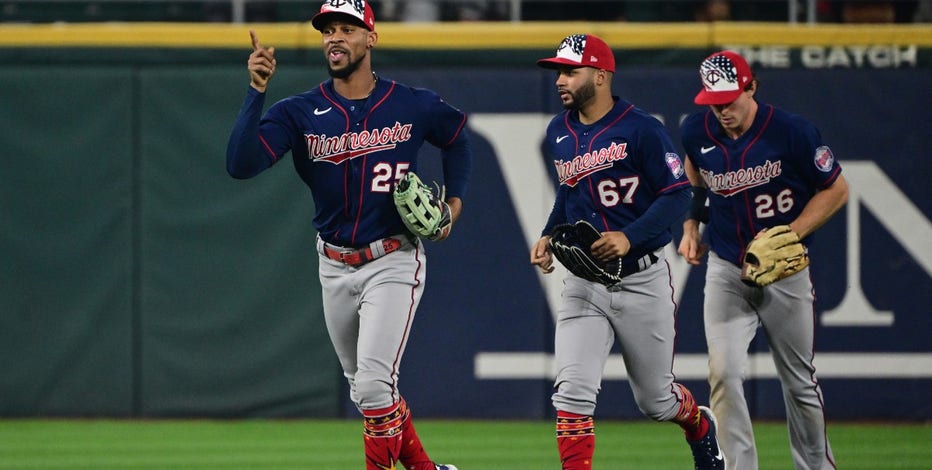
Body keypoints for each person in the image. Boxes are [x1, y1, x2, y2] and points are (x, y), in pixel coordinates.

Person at [225, 1, 471, 469]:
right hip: (334, 264)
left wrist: (454, 203)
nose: (335, 38)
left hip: (393, 257)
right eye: (328, 30)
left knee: (376, 386)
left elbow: (457, 137)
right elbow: (241, 164)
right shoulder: (299, 112)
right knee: (369, 392)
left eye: (347, 29)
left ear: (371, 38)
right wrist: (256, 90)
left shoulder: (412, 104)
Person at [529, 33, 725, 470]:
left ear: (600, 75)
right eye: (558, 71)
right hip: (586, 281)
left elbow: (676, 196)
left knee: (656, 400)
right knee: (573, 392)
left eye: (570, 71)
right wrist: (547, 233)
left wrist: (629, 236)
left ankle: (699, 425)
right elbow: (569, 192)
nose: (560, 80)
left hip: (642, 276)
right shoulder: (559, 130)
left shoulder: (641, 128)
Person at [678, 50, 848, 470]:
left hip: (783, 271)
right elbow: (695, 175)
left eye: (731, 99)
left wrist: (791, 234)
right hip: (726, 267)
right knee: (723, 373)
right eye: (714, 101)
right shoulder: (696, 129)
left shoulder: (791, 133)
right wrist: (690, 226)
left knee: (798, 382)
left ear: (752, 87)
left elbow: (836, 190)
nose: (722, 109)